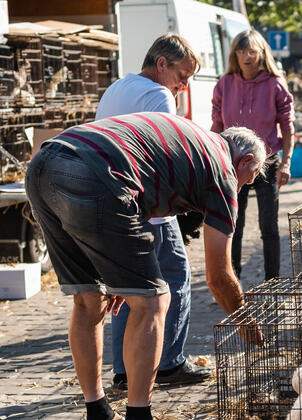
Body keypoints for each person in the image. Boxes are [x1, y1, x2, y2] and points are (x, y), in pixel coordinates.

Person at [25, 112, 266, 420]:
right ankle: (140, 414)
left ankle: (96, 409)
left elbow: (139, 197)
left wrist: (119, 274)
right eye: (252, 178)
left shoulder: (194, 140)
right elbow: (218, 277)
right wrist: (245, 321)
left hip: (44, 163)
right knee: (153, 302)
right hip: (95, 174)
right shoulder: (223, 172)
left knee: (89, 298)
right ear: (245, 161)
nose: (245, 187)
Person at [95, 33, 211, 391]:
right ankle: (170, 362)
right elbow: (163, 151)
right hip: (149, 205)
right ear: (162, 64)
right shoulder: (158, 95)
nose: (184, 84)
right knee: (175, 277)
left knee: (128, 287)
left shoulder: (117, 87)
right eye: (183, 75)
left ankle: (125, 371)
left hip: (113, 200)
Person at [211, 29, 295, 280]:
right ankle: (230, 279)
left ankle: (272, 282)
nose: (246, 56)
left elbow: (288, 128)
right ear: (234, 55)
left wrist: (286, 164)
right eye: (241, 51)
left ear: (261, 54)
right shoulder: (224, 84)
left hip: (267, 162)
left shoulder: (275, 84)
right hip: (231, 163)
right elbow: (216, 126)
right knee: (233, 225)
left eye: (251, 51)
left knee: (269, 226)